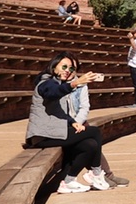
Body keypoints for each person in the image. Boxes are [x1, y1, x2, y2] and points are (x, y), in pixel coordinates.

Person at [30, 54, 113, 193]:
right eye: (64, 66)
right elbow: (51, 93)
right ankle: (96, 173)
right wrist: (75, 83)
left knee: (89, 145)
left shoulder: (58, 83)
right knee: (94, 131)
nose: (67, 70)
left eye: (71, 68)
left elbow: (58, 110)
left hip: (54, 132)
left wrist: (73, 122)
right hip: (42, 135)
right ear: (54, 67)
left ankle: (69, 180)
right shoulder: (46, 83)